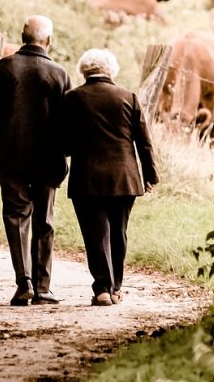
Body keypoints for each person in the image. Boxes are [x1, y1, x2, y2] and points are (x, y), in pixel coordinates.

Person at [0, 15, 72, 306]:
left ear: (22, 36)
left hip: (11, 160)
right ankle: (43, 288)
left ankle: (24, 283)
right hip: (48, 162)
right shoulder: (59, 74)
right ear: (49, 41)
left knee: (17, 219)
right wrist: (65, 155)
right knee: (44, 221)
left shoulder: (4, 69)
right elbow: (68, 124)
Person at [62, 48, 158, 307]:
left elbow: (65, 143)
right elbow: (144, 142)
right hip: (124, 177)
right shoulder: (129, 97)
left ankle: (102, 288)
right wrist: (150, 175)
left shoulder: (72, 98)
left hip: (87, 178)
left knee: (95, 233)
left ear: (84, 69)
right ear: (111, 70)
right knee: (119, 232)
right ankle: (116, 287)